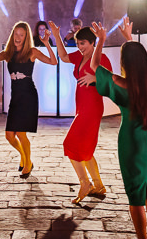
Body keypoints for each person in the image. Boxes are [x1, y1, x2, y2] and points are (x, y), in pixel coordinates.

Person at [86, 17, 147, 239]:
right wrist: (130, 40)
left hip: (131, 141)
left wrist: (100, 40)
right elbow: (138, 61)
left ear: (125, 63)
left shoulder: (120, 84)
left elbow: (94, 66)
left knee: (135, 195)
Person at [50, 20, 112, 204]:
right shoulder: (79, 56)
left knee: (70, 144)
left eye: (83, 43)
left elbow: (110, 83)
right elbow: (63, 56)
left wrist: (95, 77)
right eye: (78, 43)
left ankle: (85, 183)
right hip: (81, 106)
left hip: (92, 107)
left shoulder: (101, 57)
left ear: (93, 42)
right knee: (84, 148)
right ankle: (99, 186)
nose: (79, 46)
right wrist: (56, 35)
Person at [0, 20, 57, 177]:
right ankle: (25, 158)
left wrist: (46, 44)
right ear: (13, 35)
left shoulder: (32, 52)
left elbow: (54, 61)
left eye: (22, 35)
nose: (18, 37)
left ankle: (27, 164)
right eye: (16, 34)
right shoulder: (8, 54)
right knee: (9, 135)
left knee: (21, 134)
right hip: (16, 97)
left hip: (28, 96)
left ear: (26, 37)